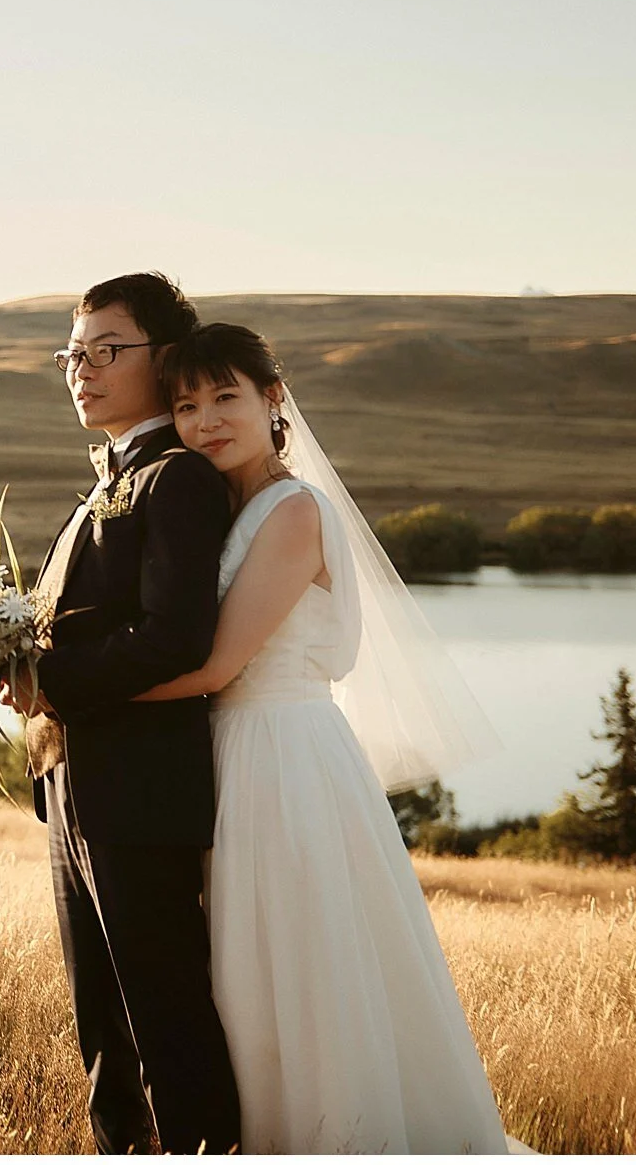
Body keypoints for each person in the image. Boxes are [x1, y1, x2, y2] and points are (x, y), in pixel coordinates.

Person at [133, 322, 515, 1153]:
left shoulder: (293, 509)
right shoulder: (224, 506)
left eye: (225, 397)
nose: (204, 421)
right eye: (187, 405)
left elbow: (217, 666)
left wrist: (65, 695)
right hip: (237, 753)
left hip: (283, 756)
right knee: (248, 968)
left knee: (302, 962)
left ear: (274, 400)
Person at [0, 272, 241, 1155]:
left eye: (107, 350)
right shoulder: (108, 476)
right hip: (74, 782)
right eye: (72, 352)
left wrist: (48, 679)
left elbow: (175, 638)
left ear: (163, 358)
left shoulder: (174, 478)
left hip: (139, 791)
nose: (81, 369)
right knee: (101, 1025)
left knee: (160, 1022)